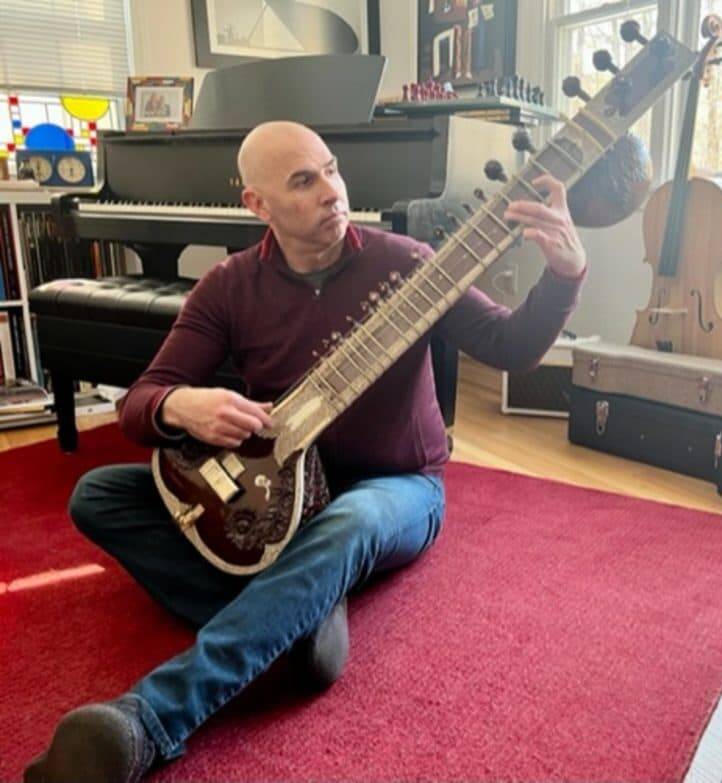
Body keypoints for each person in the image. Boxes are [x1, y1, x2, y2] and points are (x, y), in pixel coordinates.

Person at [26, 120, 586, 782]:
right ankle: (295, 626)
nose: (331, 190)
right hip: (277, 489)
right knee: (98, 494)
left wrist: (564, 274)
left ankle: (150, 718)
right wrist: (180, 405)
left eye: (331, 169)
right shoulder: (230, 286)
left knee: (350, 521)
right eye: (302, 180)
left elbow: (512, 347)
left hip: (393, 486)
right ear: (257, 205)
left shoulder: (407, 263)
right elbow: (139, 401)